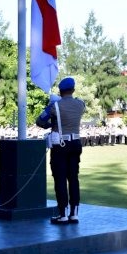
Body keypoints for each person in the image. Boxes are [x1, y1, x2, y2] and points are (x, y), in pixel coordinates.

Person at [36, 77, 85, 225]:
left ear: (60, 90)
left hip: (60, 145)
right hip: (76, 142)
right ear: (73, 90)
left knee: (60, 179)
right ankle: (74, 214)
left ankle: (62, 214)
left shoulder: (55, 106)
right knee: (74, 179)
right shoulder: (81, 104)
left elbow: (39, 121)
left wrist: (52, 124)